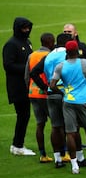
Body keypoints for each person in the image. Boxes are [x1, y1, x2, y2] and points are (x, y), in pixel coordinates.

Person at [30, 33, 86, 168]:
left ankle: (58, 159)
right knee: (73, 128)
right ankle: (79, 158)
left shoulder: (48, 56)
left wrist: (45, 88)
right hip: (67, 94)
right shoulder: (68, 55)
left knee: (56, 127)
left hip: (51, 95)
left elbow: (34, 73)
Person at [50, 40, 86, 174]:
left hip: (68, 102)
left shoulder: (60, 66)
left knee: (71, 133)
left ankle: (74, 166)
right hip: (82, 101)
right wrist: (83, 89)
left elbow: (52, 85)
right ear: (78, 50)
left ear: (67, 52)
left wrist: (63, 92)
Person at [3, 17, 36, 156]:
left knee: (24, 115)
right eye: (24, 28)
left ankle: (17, 144)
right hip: (17, 86)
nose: (27, 30)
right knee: (23, 115)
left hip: (26, 85)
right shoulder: (11, 44)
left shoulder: (27, 42)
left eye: (28, 28)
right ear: (17, 28)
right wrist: (28, 68)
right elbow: (8, 65)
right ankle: (17, 145)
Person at [24, 32, 55, 162]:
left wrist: (29, 89)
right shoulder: (50, 56)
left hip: (33, 93)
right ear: (50, 43)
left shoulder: (32, 55)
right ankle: (60, 153)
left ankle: (42, 154)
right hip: (46, 93)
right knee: (56, 124)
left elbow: (27, 75)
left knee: (40, 124)